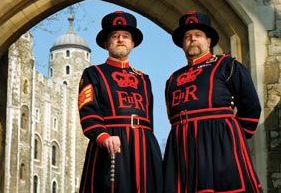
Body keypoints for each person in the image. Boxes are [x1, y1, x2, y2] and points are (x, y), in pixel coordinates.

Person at [163, 10, 262, 193]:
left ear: (208, 41)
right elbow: (172, 116)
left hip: (219, 143)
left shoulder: (227, 65)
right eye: (187, 36)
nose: (192, 39)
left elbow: (251, 106)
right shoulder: (173, 78)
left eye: (198, 35)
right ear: (183, 44)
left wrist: (232, 137)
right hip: (182, 146)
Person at [78, 10, 163, 193]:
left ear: (132, 43)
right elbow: (88, 110)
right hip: (110, 142)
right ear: (107, 43)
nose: (120, 39)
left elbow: (150, 119)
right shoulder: (93, 73)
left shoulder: (143, 78)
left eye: (125, 36)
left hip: (143, 145)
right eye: (115, 36)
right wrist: (103, 137)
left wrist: (151, 148)